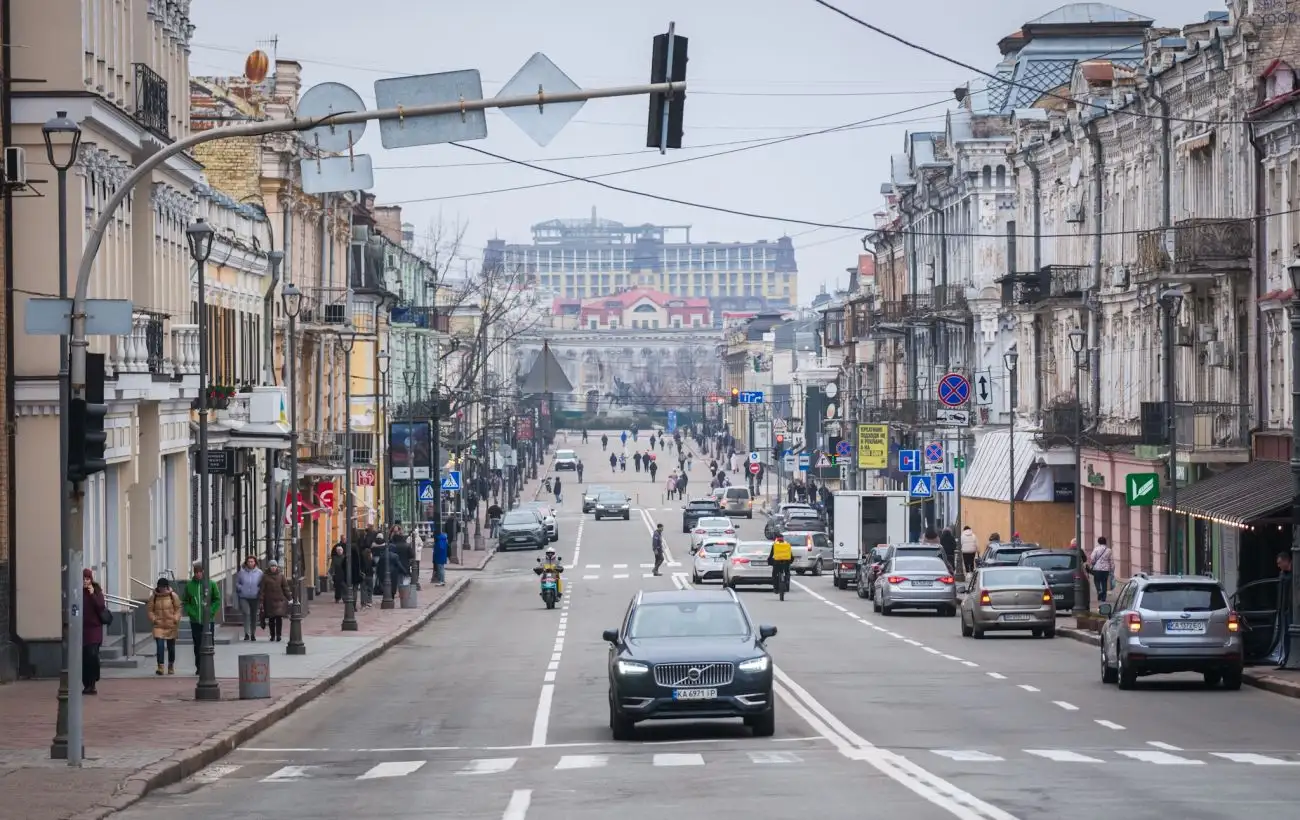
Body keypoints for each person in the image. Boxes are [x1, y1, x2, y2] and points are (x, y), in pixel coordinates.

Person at [181, 561, 220, 674]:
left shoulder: (211, 584)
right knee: (197, 644)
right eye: (196, 572)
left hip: (208, 620)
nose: (198, 574)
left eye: (200, 572)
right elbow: (185, 601)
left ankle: (208, 666)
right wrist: (191, 612)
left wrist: (211, 611)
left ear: (203, 572)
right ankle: (199, 666)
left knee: (209, 644)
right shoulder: (189, 585)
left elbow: (216, 599)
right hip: (195, 621)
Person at [147, 577, 181, 676]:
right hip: (159, 626)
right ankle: (160, 667)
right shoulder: (154, 597)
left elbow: (178, 609)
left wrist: (175, 618)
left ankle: (170, 666)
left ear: (167, 587)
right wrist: (153, 619)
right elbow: (150, 610)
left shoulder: (173, 595)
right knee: (160, 646)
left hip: (171, 625)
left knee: (171, 648)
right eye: (160, 587)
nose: (162, 589)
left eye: (164, 587)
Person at [81, 569, 107, 694]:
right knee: (84, 658)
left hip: (94, 629)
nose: (85, 581)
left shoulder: (96, 591)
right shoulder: (78, 592)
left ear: (91, 579)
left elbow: (101, 606)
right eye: (84, 579)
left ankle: (93, 682)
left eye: (87, 579)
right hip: (82, 629)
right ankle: (86, 684)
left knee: (92, 655)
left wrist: (92, 595)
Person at [258, 559, 293, 642]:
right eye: (272, 566)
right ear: (269, 567)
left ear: (277, 567)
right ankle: (272, 635)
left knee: (279, 618)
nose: (273, 568)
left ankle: (278, 635)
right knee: (271, 619)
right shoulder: (265, 576)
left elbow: (285, 588)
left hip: (279, 600)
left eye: (274, 566)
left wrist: (289, 598)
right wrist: (261, 601)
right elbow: (262, 590)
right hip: (269, 601)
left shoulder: (281, 576)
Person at [234, 554, 263, 640]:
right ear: (246, 562)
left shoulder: (259, 573)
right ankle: (247, 633)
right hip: (244, 597)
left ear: (255, 563)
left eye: (252, 561)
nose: (250, 563)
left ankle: (253, 633)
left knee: (254, 615)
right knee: (246, 614)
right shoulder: (241, 572)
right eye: (249, 561)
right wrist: (241, 588)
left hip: (255, 597)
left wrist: (258, 589)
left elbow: (262, 584)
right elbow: (237, 583)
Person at [1087, 536, 1114, 603]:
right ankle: (1104, 597)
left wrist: (1092, 563)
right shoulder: (1109, 550)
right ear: (1105, 542)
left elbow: (1092, 558)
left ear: (1098, 542)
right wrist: (1112, 569)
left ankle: (1099, 591)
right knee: (1104, 582)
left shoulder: (1096, 549)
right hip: (1106, 569)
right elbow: (1111, 561)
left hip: (1097, 568)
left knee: (1096, 580)